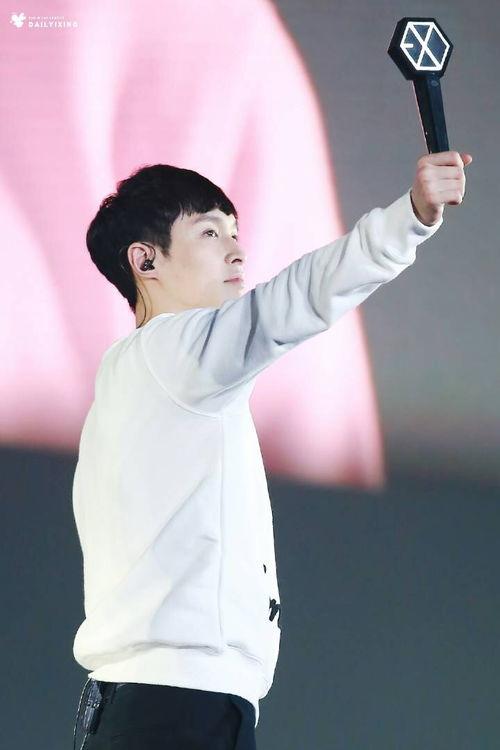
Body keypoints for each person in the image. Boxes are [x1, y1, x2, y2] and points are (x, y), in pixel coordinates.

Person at [72, 152, 470, 749]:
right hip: (175, 710)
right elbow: (298, 298)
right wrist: (411, 216)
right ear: (145, 260)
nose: (237, 251)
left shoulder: (144, 378)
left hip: (162, 706)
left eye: (235, 233)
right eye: (210, 233)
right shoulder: (174, 354)